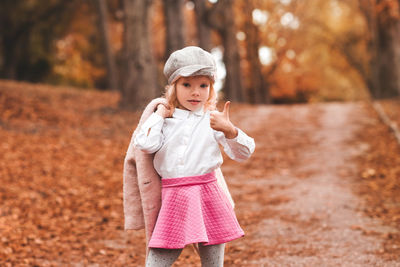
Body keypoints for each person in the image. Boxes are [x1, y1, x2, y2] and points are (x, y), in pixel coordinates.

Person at [132, 46, 255, 266]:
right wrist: (159, 114)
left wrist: (230, 131)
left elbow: (244, 153)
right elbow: (144, 143)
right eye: (187, 84)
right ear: (174, 87)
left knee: (212, 263)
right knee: (156, 261)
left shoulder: (213, 120)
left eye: (203, 85)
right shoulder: (165, 122)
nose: (195, 92)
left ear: (211, 88)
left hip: (208, 195)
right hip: (174, 197)